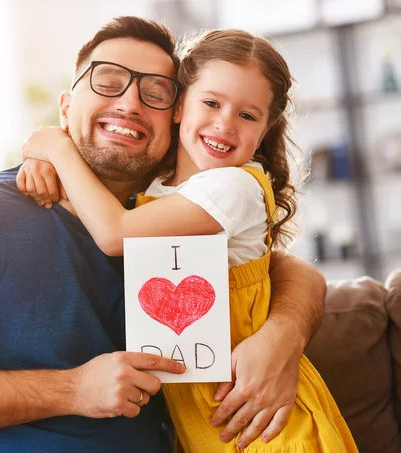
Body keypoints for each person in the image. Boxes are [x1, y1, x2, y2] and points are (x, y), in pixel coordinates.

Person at [0, 17, 327, 453]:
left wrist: (282, 336)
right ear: (66, 108)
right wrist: (73, 390)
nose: (129, 104)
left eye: (155, 93)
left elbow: (283, 268)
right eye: (107, 82)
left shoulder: (163, 209)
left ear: (175, 117)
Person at [18, 29, 357, 451]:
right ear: (179, 106)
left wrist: (53, 142)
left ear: (266, 127)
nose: (224, 124)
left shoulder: (233, 187)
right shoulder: (155, 188)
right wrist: (42, 157)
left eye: (247, 116)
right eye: (211, 103)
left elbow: (114, 234)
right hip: (203, 417)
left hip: (261, 414)